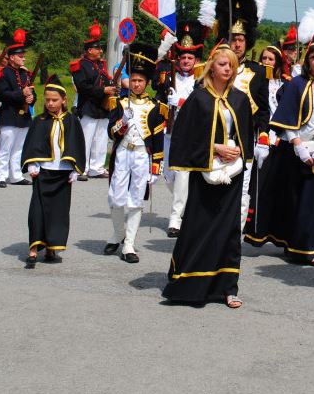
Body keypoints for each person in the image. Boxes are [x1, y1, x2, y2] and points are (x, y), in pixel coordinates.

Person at [162, 46, 254, 308]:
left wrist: (236, 151)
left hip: (231, 174)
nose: (227, 69)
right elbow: (185, 136)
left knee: (228, 230)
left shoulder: (239, 99)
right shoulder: (198, 98)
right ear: (211, 66)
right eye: (223, 64)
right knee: (199, 227)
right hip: (204, 173)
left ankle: (228, 287)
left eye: (231, 65)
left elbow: (245, 134)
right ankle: (190, 283)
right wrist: (215, 148)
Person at [244, 10, 314, 263]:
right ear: (308, 59)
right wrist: (299, 146)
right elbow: (286, 115)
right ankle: (290, 242)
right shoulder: (296, 84)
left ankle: (309, 248)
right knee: (292, 198)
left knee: (313, 202)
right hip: (295, 149)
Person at [213, 0, 270, 230]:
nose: (237, 44)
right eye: (233, 38)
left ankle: (234, 239)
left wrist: (264, 137)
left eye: (241, 39)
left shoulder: (258, 72)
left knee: (242, 191)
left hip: (245, 140)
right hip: (218, 138)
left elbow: (264, 110)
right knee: (215, 188)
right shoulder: (215, 68)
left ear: (248, 42)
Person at [104, 42, 164, 263]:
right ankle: (117, 233)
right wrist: (122, 122)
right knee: (116, 197)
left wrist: (156, 167)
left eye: (140, 81)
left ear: (146, 83)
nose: (136, 84)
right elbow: (111, 132)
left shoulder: (156, 107)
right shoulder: (119, 103)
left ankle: (129, 243)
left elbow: (157, 139)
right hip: (122, 153)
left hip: (141, 156)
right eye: (134, 80)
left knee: (136, 199)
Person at [21, 75, 86, 267]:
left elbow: (77, 145)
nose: (50, 103)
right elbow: (32, 144)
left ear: (64, 100)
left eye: (54, 100)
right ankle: (33, 249)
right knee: (37, 212)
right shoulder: (39, 120)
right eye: (47, 100)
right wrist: (33, 164)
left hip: (62, 175)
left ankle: (52, 247)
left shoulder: (72, 121)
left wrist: (75, 169)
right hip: (43, 173)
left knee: (58, 213)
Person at [154, 18, 205, 238]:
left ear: (196, 60)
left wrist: (181, 102)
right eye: (182, 57)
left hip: (191, 133)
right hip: (169, 131)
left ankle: (175, 218)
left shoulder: (202, 80)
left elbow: (202, 105)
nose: (185, 61)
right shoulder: (168, 76)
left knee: (182, 174)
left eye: (189, 57)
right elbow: (155, 90)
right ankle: (185, 206)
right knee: (169, 175)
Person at [70, 21, 116, 179]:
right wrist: (103, 90)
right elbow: (82, 87)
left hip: (102, 107)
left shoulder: (101, 65)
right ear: (90, 50)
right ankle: (81, 168)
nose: (101, 51)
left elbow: (105, 81)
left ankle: (97, 168)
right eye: (98, 48)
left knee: (101, 140)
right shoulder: (79, 65)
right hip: (88, 106)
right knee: (86, 139)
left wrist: (111, 88)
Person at [0, 29, 35, 187]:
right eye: (20, 56)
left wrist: (31, 98)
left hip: (23, 116)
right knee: (6, 148)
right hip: (9, 115)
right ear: (12, 57)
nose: (23, 58)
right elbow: (3, 94)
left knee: (18, 148)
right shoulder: (3, 73)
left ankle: (16, 175)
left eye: (23, 56)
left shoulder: (26, 74)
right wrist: (21, 93)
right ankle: (1, 176)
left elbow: (32, 92)